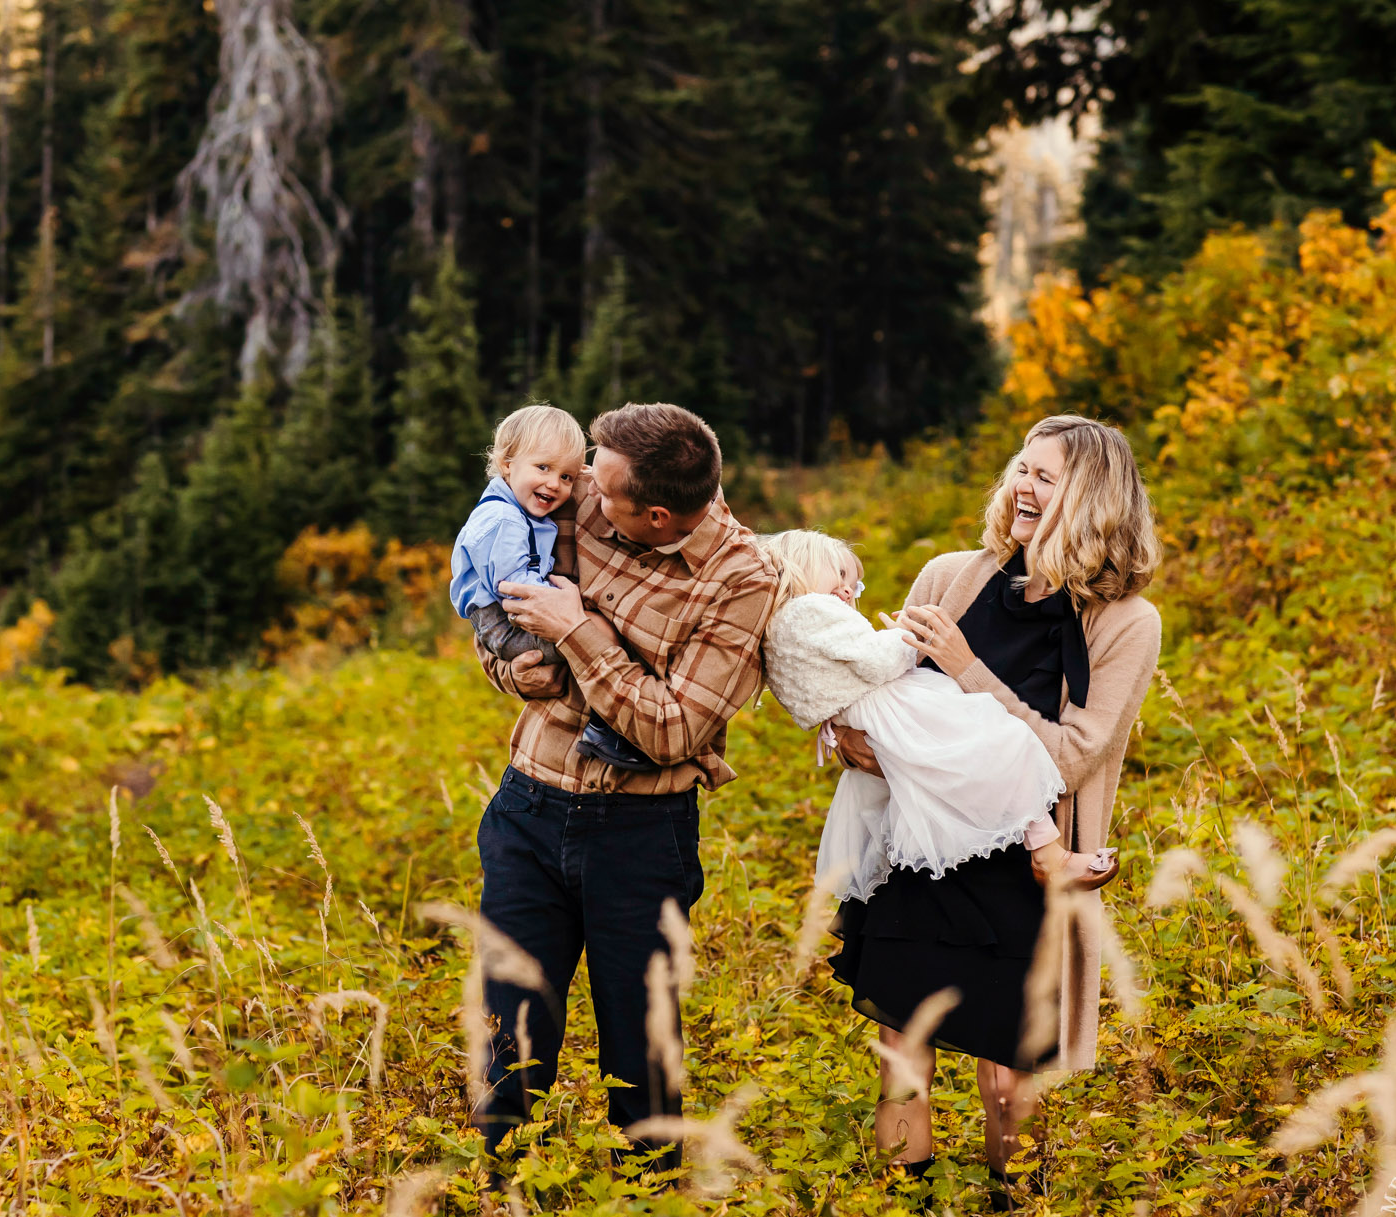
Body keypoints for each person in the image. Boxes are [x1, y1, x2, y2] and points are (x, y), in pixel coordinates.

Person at [828, 414, 1161, 1209]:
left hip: (1027, 863)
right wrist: (845, 738)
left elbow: (1070, 755)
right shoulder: (950, 576)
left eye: (1048, 477)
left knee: (1010, 1068)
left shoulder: (1124, 621)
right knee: (901, 1037)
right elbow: (877, 689)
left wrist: (967, 666)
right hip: (928, 847)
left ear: (1093, 499)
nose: (1023, 485)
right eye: (1021, 467)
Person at [470, 402, 779, 1172]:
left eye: (603, 495)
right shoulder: (578, 491)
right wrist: (512, 667)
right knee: (508, 1035)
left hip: (640, 835)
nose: (582, 501)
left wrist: (579, 631)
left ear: (659, 513)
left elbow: (674, 731)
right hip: (529, 808)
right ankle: (497, 1202)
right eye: (583, 479)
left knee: (640, 1053)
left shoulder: (740, 579)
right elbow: (496, 604)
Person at [755, 527, 1117, 898]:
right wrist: (909, 637)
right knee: (1002, 740)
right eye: (842, 575)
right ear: (803, 566)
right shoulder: (810, 611)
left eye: (855, 586)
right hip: (895, 707)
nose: (848, 591)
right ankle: (1047, 855)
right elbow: (876, 660)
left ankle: (1024, 854)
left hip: (874, 714)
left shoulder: (783, 628)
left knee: (959, 762)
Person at [449, 406, 654, 771]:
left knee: (593, 635)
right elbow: (515, 589)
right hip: (507, 622)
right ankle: (611, 729)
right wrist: (567, 613)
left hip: (503, 618)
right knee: (599, 634)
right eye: (542, 468)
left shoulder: (515, 508)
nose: (554, 484)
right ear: (507, 463)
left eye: (566, 476)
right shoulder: (503, 521)